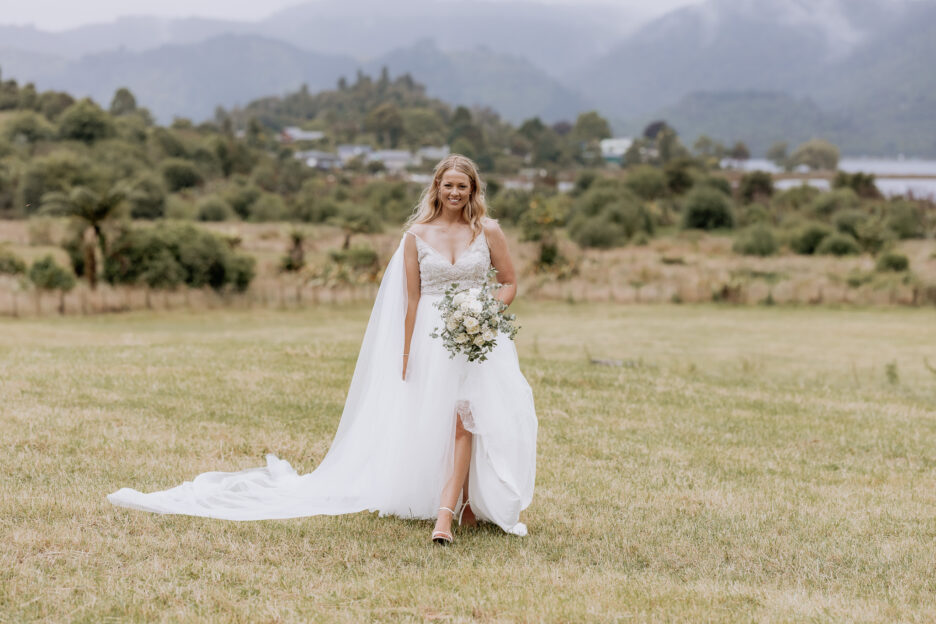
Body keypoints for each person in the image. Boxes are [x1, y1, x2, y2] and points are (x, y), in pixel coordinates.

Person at [108, 154, 537, 544]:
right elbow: (410, 300)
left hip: (479, 338)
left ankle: (445, 516)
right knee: (448, 417)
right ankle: (461, 508)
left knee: (468, 416)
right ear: (437, 189)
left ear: (473, 190)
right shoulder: (416, 236)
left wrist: (483, 314)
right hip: (430, 338)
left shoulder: (488, 231)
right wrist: (405, 355)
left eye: (463, 186)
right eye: (449, 186)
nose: (456, 193)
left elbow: (510, 283)